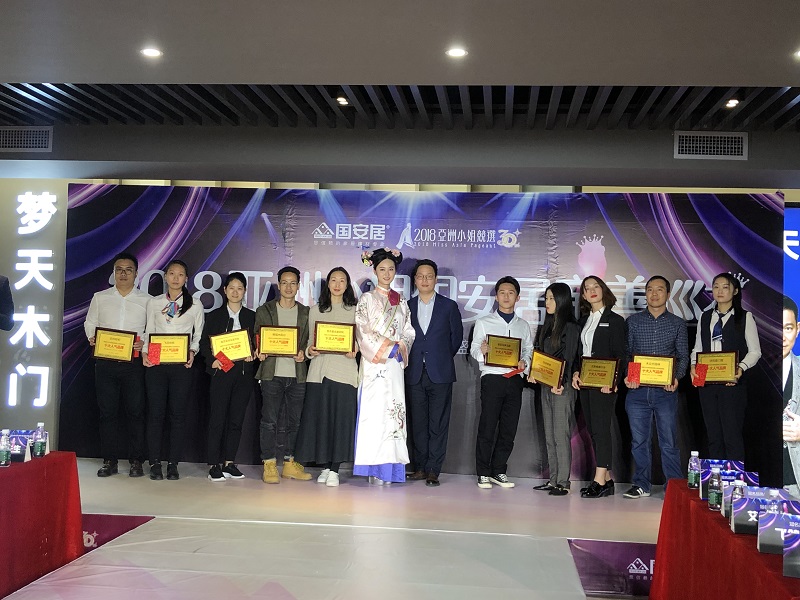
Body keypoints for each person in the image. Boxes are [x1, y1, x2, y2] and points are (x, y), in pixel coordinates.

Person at [84, 252, 150, 478]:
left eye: (128, 270)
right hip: (105, 363)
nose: (123, 274)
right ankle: (109, 460)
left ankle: (136, 461)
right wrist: (93, 337)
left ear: (136, 274)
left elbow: (151, 329)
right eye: (119, 270)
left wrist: (144, 343)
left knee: (136, 413)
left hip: (134, 364)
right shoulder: (100, 297)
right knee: (107, 413)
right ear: (114, 273)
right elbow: (90, 322)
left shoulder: (147, 300)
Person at [622, 275, 688, 499]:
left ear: (668, 294)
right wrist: (629, 376)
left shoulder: (677, 323)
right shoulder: (633, 322)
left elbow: (682, 356)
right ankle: (642, 484)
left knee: (668, 441)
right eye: (650, 289)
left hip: (665, 392)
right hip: (637, 391)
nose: (654, 294)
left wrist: (676, 377)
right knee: (639, 441)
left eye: (659, 289)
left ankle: (673, 487)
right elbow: (627, 354)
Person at [353, 247, 415, 484]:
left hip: (394, 365)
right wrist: (388, 347)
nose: (387, 273)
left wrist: (402, 346)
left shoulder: (401, 301)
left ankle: (392, 469)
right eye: (382, 269)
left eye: (391, 269)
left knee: (393, 414)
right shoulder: (367, 299)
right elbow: (362, 330)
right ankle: (373, 468)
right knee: (374, 414)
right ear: (375, 271)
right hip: (375, 364)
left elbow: (408, 330)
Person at [294, 267, 359, 487]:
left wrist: (355, 348)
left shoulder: (355, 311)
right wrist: (310, 350)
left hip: (344, 373)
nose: (337, 284)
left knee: (340, 423)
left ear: (347, 285)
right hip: (319, 372)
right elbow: (308, 343)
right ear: (328, 284)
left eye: (342, 280)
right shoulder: (315, 311)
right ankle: (325, 467)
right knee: (321, 422)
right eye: (333, 280)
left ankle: (335, 469)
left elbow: (361, 340)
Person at [142, 259, 205, 481]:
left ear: (186, 279)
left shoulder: (195, 304)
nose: (175, 278)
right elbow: (149, 331)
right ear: (165, 277)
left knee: (178, 416)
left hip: (181, 366)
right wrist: (145, 353)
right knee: (155, 414)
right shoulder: (154, 302)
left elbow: (198, 334)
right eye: (171, 273)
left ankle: (173, 463)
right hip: (157, 364)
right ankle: (155, 462)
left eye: (180, 274)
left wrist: (192, 351)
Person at [690, 273, 761, 461]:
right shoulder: (705, 317)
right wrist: (693, 366)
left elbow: (755, 351)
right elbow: (698, 348)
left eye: (725, 287)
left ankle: (734, 477)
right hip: (707, 383)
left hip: (732, 384)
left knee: (732, 435)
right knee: (713, 435)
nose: (719, 291)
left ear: (735, 291)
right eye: (716, 287)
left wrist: (741, 368)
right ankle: (717, 476)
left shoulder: (745, 317)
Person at [470, 276, 533, 489]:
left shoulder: (523, 325)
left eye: (511, 292)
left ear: (518, 297)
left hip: (514, 380)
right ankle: (483, 473)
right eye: (502, 293)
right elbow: (474, 349)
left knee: (508, 429)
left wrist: (525, 362)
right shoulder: (484, 322)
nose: (506, 296)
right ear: (496, 297)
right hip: (492, 379)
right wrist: (483, 351)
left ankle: (499, 470)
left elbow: (528, 350)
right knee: (487, 427)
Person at [405, 259, 463, 487]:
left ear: (436, 279)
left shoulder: (448, 306)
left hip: (440, 372)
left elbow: (456, 339)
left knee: (438, 424)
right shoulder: (406, 306)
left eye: (429, 276)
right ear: (415, 280)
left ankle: (433, 470)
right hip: (414, 372)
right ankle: (420, 467)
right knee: (417, 423)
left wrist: (439, 358)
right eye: (420, 276)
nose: (425, 280)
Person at [255, 266, 312, 484]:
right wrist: (259, 349)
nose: (289, 287)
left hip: (297, 375)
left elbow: (309, 342)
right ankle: (269, 463)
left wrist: (304, 353)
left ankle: (289, 464)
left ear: (298, 286)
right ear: (278, 285)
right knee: (269, 421)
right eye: (285, 283)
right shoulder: (264, 310)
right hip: (272, 374)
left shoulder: (306, 312)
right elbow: (257, 336)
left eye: (293, 283)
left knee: (295, 423)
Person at [571, 276, 626, 499]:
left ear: (603, 290)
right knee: (594, 430)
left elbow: (621, 355)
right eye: (587, 288)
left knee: (602, 430)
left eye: (596, 286)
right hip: (586, 382)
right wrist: (576, 372)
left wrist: (612, 381)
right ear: (584, 295)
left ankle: (599, 480)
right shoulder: (583, 321)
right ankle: (608, 479)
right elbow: (580, 353)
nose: (592, 290)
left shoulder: (615, 320)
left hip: (604, 384)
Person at [199, 272, 256, 482]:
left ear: (244, 291)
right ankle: (214, 464)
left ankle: (229, 462)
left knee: (236, 419)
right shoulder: (215, 316)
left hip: (243, 374)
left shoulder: (251, 316)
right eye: (231, 288)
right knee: (217, 419)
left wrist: (254, 353)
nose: (235, 292)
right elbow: (204, 344)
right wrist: (211, 361)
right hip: (221, 372)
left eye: (239, 288)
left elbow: (257, 343)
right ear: (224, 290)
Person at [530, 282, 581, 496]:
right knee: (550, 435)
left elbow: (570, 357)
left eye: (551, 298)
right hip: (546, 386)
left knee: (561, 435)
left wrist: (561, 382)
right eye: (546, 298)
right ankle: (552, 480)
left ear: (562, 300)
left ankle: (563, 482)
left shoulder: (571, 327)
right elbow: (541, 355)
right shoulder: (548, 325)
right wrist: (534, 372)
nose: (548, 303)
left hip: (563, 388)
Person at [781, 296, 800, 497]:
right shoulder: (749, 371)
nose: (782, 337)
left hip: (795, 481)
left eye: (788, 328)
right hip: (757, 481)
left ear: (797, 329)